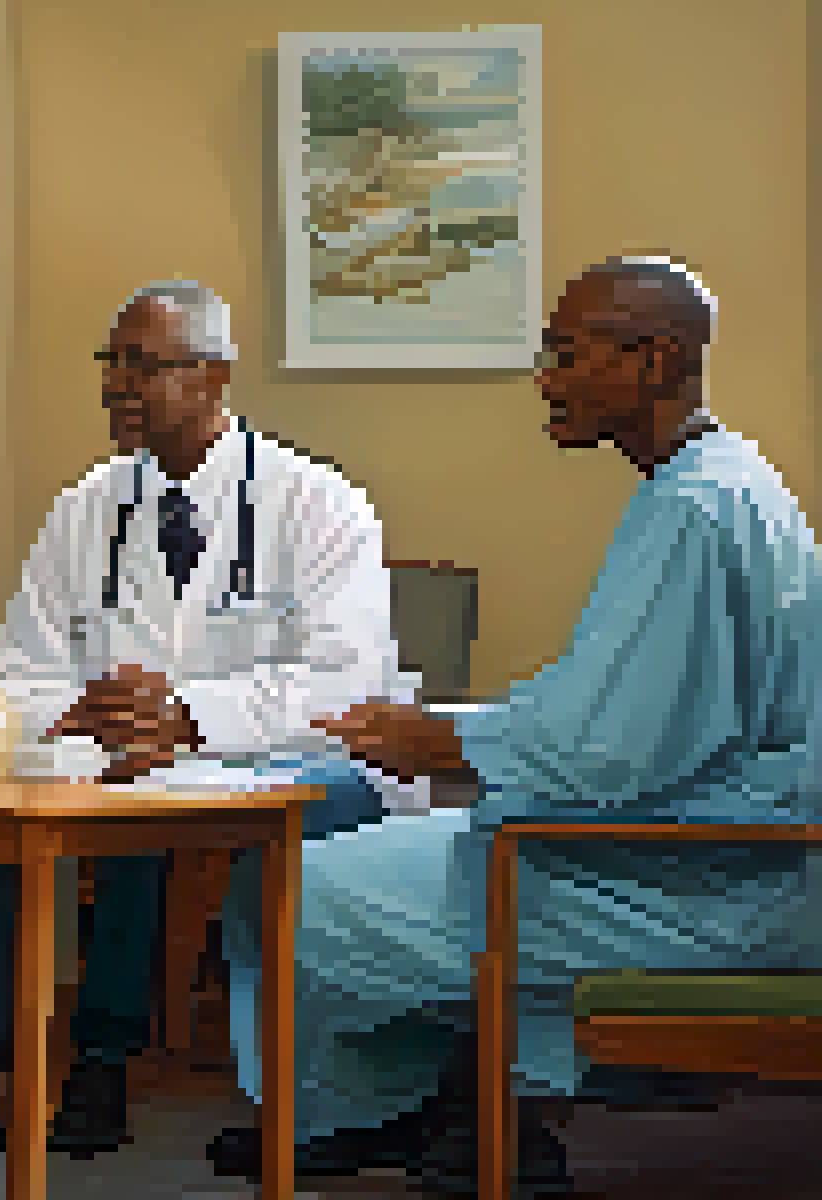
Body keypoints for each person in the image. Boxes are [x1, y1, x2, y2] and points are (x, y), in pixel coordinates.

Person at [205, 255, 822, 1197]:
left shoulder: (697, 514)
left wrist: (436, 742)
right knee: (387, 847)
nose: (546, 379)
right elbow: (616, 713)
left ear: (653, 361)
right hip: (698, 853)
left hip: (696, 881)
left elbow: (602, 751)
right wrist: (449, 731)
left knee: (286, 885)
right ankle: (454, 1109)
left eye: (568, 355)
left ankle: (361, 1111)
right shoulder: (717, 485)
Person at [0, 280, 406, 1168]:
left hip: (292, 760)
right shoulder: (86, 507)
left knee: (195, 811)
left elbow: (345, 682)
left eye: (143, 366)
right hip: (124, 758)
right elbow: (19, 666)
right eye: (111, 362)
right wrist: (80, 711)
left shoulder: (318, 506)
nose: (116, 385)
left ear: (213, 376)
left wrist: (190, 717)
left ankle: (130, 1069)